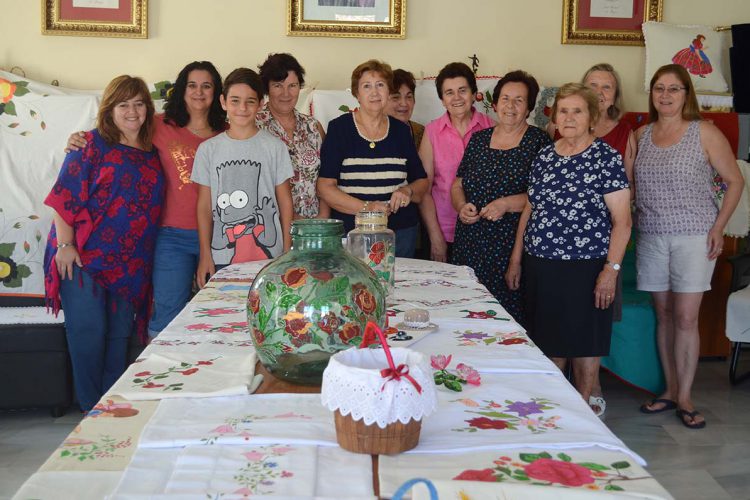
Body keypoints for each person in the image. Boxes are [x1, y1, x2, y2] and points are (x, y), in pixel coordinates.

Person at [66, 61, 226, 339]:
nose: (199, 92)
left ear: (217, 93)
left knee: (219, 312)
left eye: (207, 86)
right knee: (166, 312)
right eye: (192, 85)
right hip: (171, 235)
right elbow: (117, 130)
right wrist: (79, 139)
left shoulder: (228, 131)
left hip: (220, 235)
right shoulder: (158, 124)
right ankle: (159, 377)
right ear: (181, 90)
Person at [505, 83, 631, 411]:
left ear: (591, 117)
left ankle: (584, 411)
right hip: (541, 265)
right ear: (555, 116)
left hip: (587, 267)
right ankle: (554, 414)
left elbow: (623, 222)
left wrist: (610, 271)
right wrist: (516, 259)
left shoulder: (606, 158)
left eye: (578, 110)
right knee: (550, 345)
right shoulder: (545, 155)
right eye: (563, 110)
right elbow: (531, 208)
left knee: (585, 346)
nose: (569, 117)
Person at [44, 75, 165, 412]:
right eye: (123, 104)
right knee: (88, 335)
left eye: (139, 103)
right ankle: (88, 409)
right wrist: (65, 245)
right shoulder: (91, 144)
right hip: (82, 257)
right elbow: (65, 194)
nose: (132, 111)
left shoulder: (154, 153)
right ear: (109, 110)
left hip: (130, 264)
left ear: (148, 109)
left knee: (117, 339)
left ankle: (108, 408)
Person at [635, 64, 743, 429]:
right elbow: (631, 189)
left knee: (685, 317)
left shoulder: (704, 132)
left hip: (695, 236)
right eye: (659, 88)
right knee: (663, 316)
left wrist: (718, 227)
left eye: (674, 89)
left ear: (686, 94)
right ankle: (668, 390)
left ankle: (685, 396)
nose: (665, 95)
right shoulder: (641, 135)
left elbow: (734, 181)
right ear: (651, 94)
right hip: (650, 236)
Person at [451, 71, 551, 324]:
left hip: (512, 247)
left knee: (507, 321)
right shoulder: (479, 139)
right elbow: (457, 184)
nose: (511, 106)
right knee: (466, 317)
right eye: (505, 98)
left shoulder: (539, 142)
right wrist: (462, 206)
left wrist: (506, 204)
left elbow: (544, 196)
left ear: (529, 107)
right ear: (495, 104)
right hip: (470, 244)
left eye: (519, 100)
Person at [192, 68, 294, 288]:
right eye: (235, 100)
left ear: (260, 104)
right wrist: (205, 254)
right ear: (223, 101)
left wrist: (287, 250)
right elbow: (204, 205)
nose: (242, 108)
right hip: (221, 258)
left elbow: (285, 202)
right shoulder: (208, 150)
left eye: (250, 101)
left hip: (270, 257)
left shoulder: (274, 147)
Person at [317, 59, 428, 257]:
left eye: (380, 85)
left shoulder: (402, 131)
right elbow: (325, 187)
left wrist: (407, 190)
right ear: (356, 94)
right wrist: (368, 209)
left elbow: (421, 183)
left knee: (399, 286)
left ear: (388, 91)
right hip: (352, 233)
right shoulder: (339, 129)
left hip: (400, 233)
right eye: (366, 86)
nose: (374, 92)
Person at [580, 62, 637, 417]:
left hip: (605, 238)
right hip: (563, 241)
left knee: (596, 312)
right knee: (567, 309)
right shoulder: (564, 124)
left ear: (615, 96)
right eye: (593, 85)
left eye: (607, 87)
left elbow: (625, 195)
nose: (600, 92)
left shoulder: (624, 133)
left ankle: (594, 383)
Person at [420, 62, 494, 262]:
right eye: (449, 93)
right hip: (443, 231)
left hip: (485, 231)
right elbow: (424, 190)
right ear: (442, 100)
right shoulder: (432, 131)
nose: (457, 98)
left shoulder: (493, 129)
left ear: (473, 93)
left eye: (462, 90)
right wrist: (435, 237)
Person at [256, 53, 330, 220]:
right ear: (267, 88)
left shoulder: (313, 126)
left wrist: (323, 217)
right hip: (272, 226)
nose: (286, 94)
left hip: (316, 227)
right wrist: (293, 219)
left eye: (292, 85)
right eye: (278, 86)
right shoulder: (255, 127)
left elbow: (328, 176)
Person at [386, 68, 424, 149]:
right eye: (396, 97)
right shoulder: (369, 135)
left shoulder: (422, 132)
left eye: (409, 97)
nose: (404, 103)